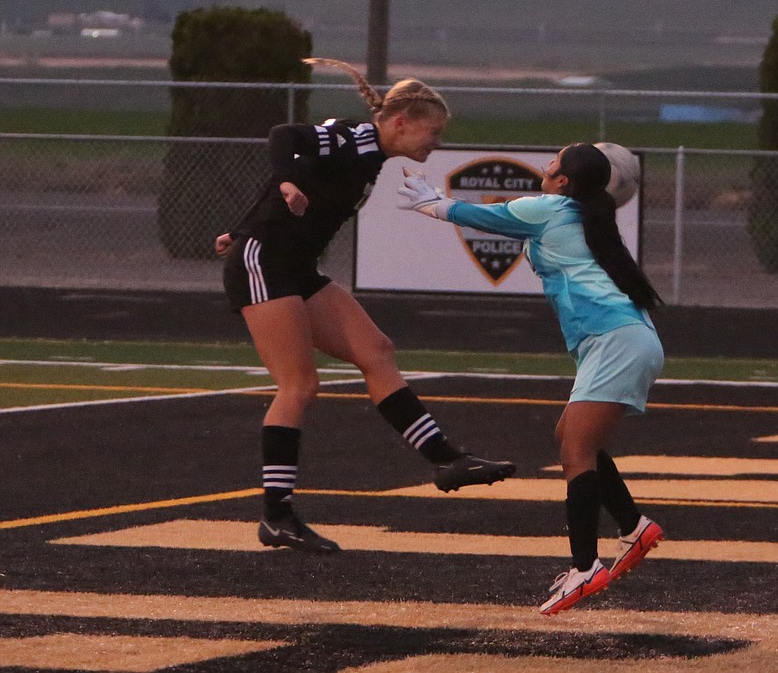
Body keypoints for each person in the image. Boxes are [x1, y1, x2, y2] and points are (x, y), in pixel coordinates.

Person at [215, 57, 515, 554]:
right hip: (266, 259)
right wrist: (278, 196)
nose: (435, 141)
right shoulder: (358, 138)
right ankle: (276, 514)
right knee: (299, 385)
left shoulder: (369, 151)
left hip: (293, 264)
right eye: (432, 131)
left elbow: (300, 168)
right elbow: (284, 136)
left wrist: (248, 216)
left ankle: (446, 459)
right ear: (400, 123)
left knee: (376, 350)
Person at [397, 142, 666, 614]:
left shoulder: (550, 207)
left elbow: (488, 218)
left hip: (615, 340)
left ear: (564, 180)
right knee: (570, 437)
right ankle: (633, 526)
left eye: (555, 161)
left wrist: (430, 204)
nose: (547, 164)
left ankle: (585, 567)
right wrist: (434, 204)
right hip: (622, 338)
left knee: (575, 451)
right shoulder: (584, 213)